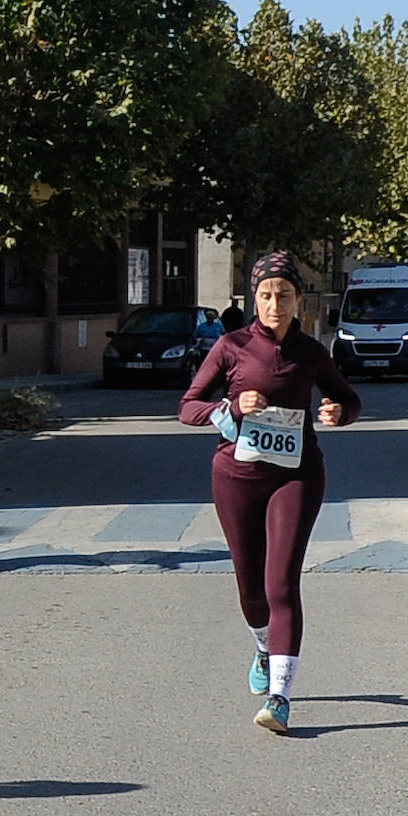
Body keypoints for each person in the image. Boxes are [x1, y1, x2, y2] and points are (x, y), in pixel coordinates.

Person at [178, 251, 360, 734]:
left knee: (281, 583)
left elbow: (348, 397)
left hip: (296, 475)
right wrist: (233, 405)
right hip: (237, 476)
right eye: (265, 295)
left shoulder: (311, 352)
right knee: (250, 589)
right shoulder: (232, 346)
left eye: (284, 295)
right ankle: (262, 644)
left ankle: (279, 696)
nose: (274, 303)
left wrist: (338, 413)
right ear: (253, 299)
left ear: (299, 300)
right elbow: (188, 407)